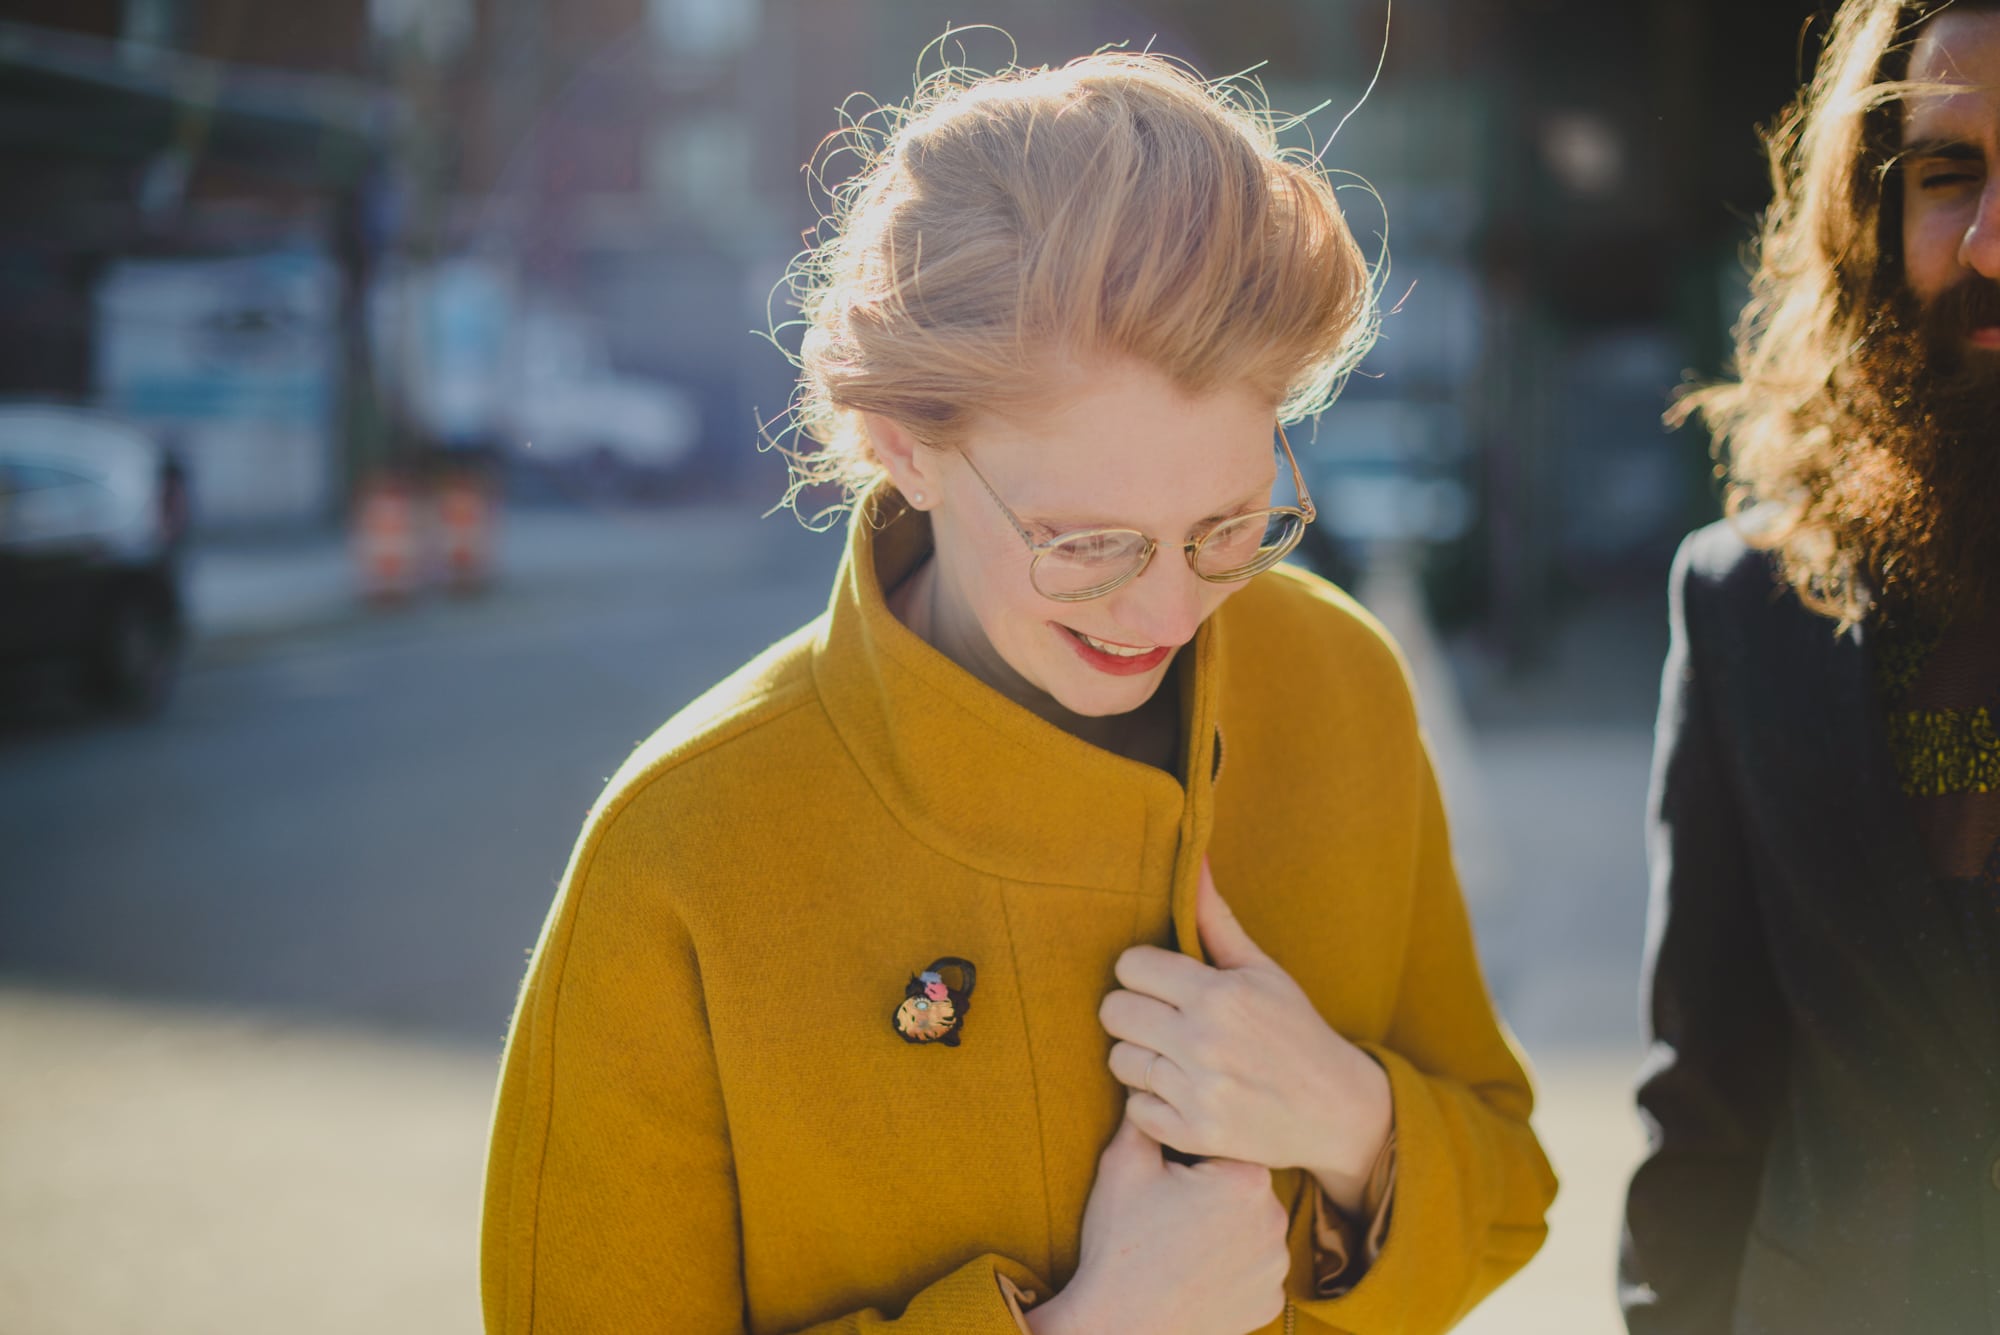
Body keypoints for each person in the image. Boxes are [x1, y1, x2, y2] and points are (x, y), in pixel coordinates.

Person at [482, 50, 1555, 1335]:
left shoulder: (1337, 682)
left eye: (1229, 525)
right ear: (901, 444)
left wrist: (1346, 1122)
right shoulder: (680, 854)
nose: (1165, 614)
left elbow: (1508, 1195)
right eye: (1085, 542)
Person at [1622, 3, 2000, 1330]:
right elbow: (1703, 1111)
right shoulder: (1743, 604)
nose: (1992, 243)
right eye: (1950, 176)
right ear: (1867, 217)